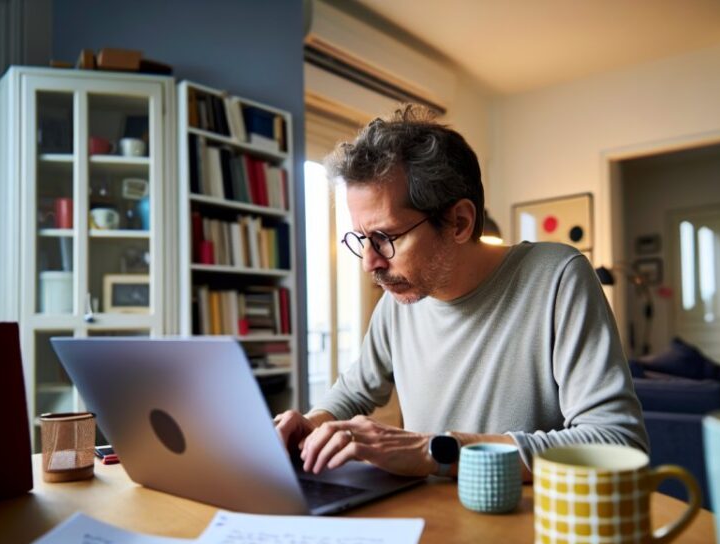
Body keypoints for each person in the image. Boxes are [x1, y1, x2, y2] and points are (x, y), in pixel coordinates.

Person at [274, 105, 647, 479]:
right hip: (429, 518)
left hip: (524, 523)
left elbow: (615, 441)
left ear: (459, 222)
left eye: (385, 238)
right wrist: (312, 423)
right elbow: (354, 391)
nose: (369, 263)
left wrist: (434, 450)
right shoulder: (399, 301)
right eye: (361, 239)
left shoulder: (557, 278)